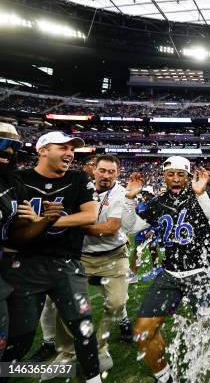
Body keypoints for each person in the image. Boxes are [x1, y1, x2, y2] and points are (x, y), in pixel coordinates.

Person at [0, 131, 103, 383]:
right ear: (43, 150)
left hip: (66, 263)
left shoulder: (79, 178)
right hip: (25, 264)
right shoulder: (17, 179)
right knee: (21, 336)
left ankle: (93, 378)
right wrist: (36, 222)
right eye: (63, 147)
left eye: (72, 149)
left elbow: (90, 215)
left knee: (83, 326)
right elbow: (15, 225)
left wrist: (46, 220)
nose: (70, 153)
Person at [122, 156, 210, 383]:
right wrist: (130, 199)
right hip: (169, 275)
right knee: (143, 332)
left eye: (181, 174)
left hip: (200, 273)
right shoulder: (158, 203)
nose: (176, 179)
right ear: (164, 176)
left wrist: (201, 194)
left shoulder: (203, 194)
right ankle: (164, 377)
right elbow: (130, 226)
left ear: (189, 177)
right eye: (171, 174)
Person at [50, 155, 132, 374]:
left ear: (118, 173)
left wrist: (74, 224)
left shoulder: (121, 193)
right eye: (102, 170)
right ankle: (67, 352)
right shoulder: (79, 187)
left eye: (111, 172)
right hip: (81, 256)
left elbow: (110, 228)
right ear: (93, 170)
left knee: (117, 304)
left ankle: (100, 346)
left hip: (114, 256)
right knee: (65, 303)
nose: (106, 175)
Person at [0, 123, 65, 361]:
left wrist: (46, 220)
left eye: (13, 147)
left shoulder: (13, 184)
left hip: (9, 269)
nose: (7, 153)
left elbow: (18, 234)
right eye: (2, 144)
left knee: (23, 336)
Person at [134, 186, 162, 283]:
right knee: (137, 252)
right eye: (143, 193)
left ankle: (156, 268)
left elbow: (160, 220)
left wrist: (153, 230)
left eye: (146, 193)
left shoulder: (156, 205)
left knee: (153, 249)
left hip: (151, 231)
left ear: (151, 195)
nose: (144, 195)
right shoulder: (139, 206)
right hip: (140, 233)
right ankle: (134, 274)